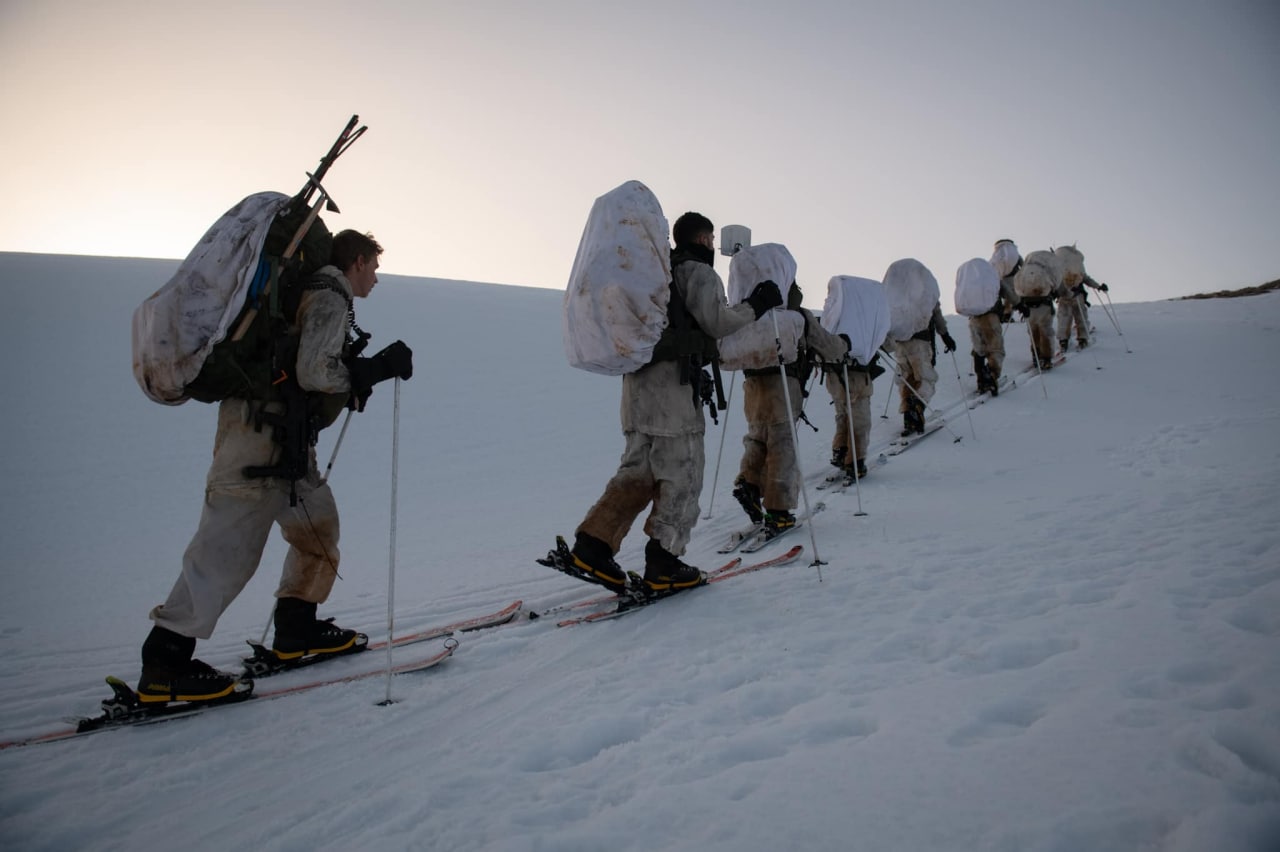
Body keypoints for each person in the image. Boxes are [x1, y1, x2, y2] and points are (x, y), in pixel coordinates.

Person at [137, 230, 414, 704]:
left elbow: (307, 369)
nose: (376, 277)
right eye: (374, 267)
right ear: (357, 261)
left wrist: (356, 377)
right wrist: (369, 371)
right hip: (259, 443)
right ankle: (165, 663)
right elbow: (314, 371)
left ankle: (295, 629)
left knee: (318, 529)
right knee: (225, 551)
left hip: (287, 443)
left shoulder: (312, 295)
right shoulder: (328, 296)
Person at [567, 212, 779, 592]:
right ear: (703, 239)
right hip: (673, 396)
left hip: (636, 391)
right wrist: (756, 305)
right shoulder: (696, 272)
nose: (712, 245)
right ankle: (665, 561)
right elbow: (717, 322)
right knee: (684, 474)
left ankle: (593, 545)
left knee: (637, 472)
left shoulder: (655, 276)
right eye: (710, 239)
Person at [733, 282, 849, 534]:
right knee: (782, 446)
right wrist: (845, 345)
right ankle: (779, 511)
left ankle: (749, 482)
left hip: (752, 386)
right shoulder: (797, 316)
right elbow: (827, 346)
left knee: (757, 438)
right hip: (783, 387)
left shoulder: (752, 313)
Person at [893, 299, 956, 436]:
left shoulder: (897, 292)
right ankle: (917, 405)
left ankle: (908, 417)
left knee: (906, 379)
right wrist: (946, 337)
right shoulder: (925, 291)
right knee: (925, 379)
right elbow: (937, 316)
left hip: (900, 344)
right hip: (920, 342)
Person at [823, 340, 882, 480]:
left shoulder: (832, 326)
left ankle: (840, 449)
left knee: (842, 414)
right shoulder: (862, 329)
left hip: (833, 374)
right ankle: (855, 461)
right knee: (859, 420)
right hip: (856, 376)